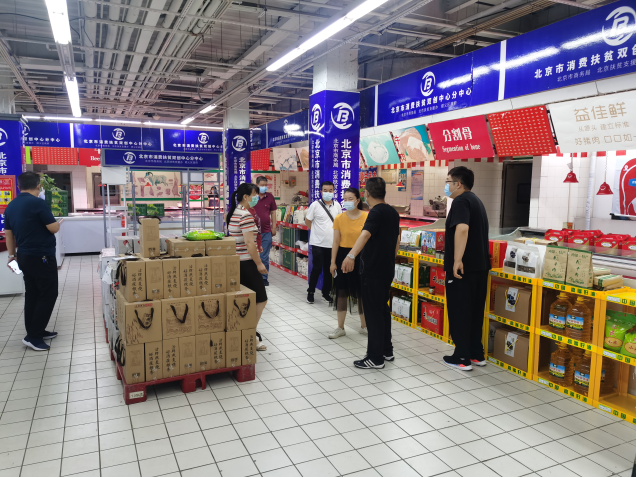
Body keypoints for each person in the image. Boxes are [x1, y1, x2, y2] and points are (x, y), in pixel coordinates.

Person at [342, 178, 400, 369]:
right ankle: (386, 350)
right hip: (386, 268)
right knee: (382, 309)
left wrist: (351, 255)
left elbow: (365, 234)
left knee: (373, 313)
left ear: (366, 193)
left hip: (373, 270)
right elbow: (397, 238)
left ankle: (375, 358)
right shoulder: (392, 211)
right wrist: (391, 258)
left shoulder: (375, 212)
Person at [4, 172, 61, 352]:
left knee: (33, 294)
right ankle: (33, 336)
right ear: (38, 186)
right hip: (42, 257)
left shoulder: (11, 206)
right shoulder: (38, 203)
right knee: (49, 293)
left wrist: (11, 255)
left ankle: (36, 330)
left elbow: (9, 235)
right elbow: (53, 228)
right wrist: (58, 223)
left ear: (19, 186)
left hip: (24, 256)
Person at [442, 166, 491, 371]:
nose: (446, 186)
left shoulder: (461, 201)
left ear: (458, 184)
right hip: (480, 267)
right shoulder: (476, 201)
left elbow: (462, 228)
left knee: (460, 310)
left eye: (448, 182)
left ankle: (462, 356)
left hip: (464, 269)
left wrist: (457, 260)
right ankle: (476, 353)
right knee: (475, 311)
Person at [226, 183, 269, 351]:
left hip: (236, 261)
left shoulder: (234, 212)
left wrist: (256, 249)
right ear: (246, 197)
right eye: (254, 195)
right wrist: (259, 263)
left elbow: (240, 239)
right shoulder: (245, 215)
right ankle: (250, 333)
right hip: (246, 263)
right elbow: (249, 243)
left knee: (246, 299)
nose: (256, 198)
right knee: (261, 299)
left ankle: (247, 332)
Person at [328, 188, 368, 339]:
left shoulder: (366, 217)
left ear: (358, 200)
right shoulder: (339, 218)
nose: (347, 202)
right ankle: (340, 327)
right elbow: (336, 241)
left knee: (362, 292)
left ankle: (364, 326)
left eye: (350, 199)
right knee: (341, 292)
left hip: (361, 257)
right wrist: (333, 262)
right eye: (345, 199)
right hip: (342, 257)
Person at [305, 182, 342, 305]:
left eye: (330, 190)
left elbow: (340, 223)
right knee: (316, 268)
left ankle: (326, 293)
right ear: (321, 192)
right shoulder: (315, 205)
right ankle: (310, 292)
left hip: (332, 244)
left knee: (329, 269)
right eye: (325, 190)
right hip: (318, 244)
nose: (328, 193)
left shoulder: (337, 206)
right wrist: (316, 232)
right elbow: (308, 220)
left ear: (333, 191)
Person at [252, 176, 277, 286]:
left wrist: (274, 227)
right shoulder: (252, 197)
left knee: (264, 256)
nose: (264, 187)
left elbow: (273, 212)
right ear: (256, 185)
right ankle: (253, 276)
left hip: (266, 231)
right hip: (253, 232)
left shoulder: (270, 197)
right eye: (262, 185)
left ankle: (263, 278)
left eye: (266, 185)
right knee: (252, 255)